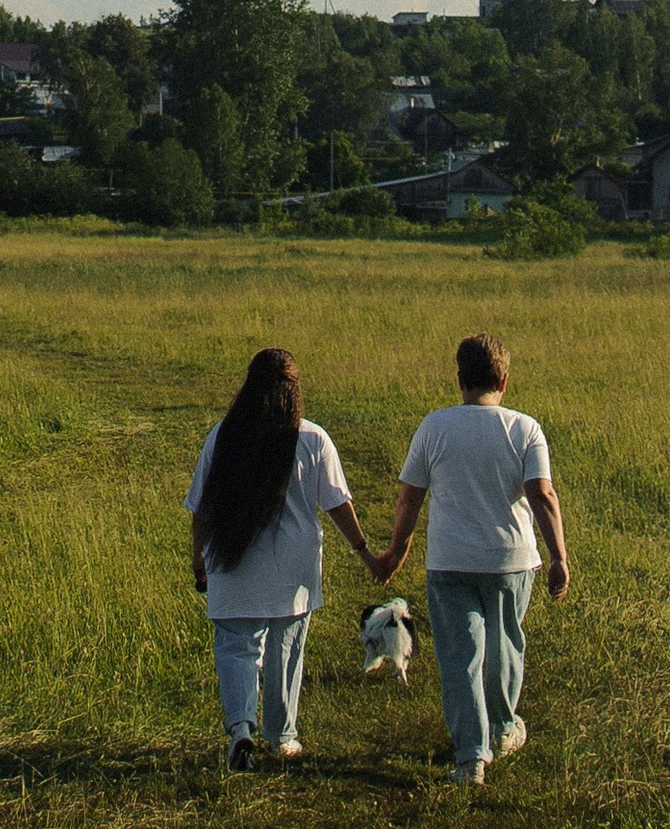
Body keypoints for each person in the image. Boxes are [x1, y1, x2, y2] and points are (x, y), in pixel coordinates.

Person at [375, 333, 571, 790]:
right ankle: (503, 730)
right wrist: (559, 556)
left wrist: (397, 551)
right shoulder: (525, 428)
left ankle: (470, 758)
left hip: (450, 561)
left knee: (460, 656)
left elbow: (409, 498)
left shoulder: (434, 426)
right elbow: (542, 495)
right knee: (505, 647)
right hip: (511, 561)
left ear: (459, 379)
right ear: (505, 379)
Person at [186, 347, 379, 771]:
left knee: (237, 648)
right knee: (286, 650)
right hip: (294, 568)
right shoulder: (312, 438)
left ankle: (241, 729)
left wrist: (198, 553)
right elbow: (337, 505)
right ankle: (282, 734)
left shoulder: (223, 435)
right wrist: (366, 553)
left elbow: (202, 506)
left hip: (232, 561)